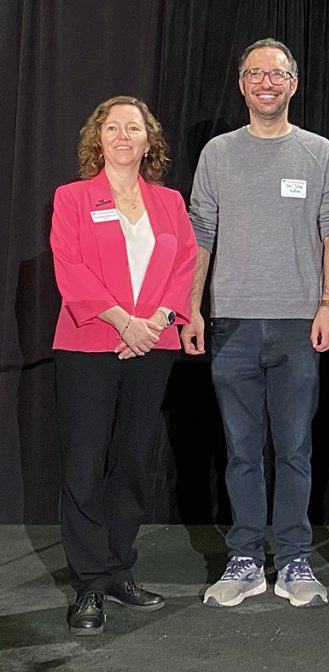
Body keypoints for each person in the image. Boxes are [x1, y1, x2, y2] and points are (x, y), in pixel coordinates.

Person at [183, 38, 329, 609]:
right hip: (230, 323)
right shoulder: (217, 154)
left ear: (293, 84)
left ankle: (296, 559)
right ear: (241, 84)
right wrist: (193, 308)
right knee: (241, 450)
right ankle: (246, 558)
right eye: (255, 74)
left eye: (276, 74)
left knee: (296, 448)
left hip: (297, 324)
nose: (266, 83)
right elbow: (199, 232)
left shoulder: (318, 152)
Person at [51, 96, 197, 635]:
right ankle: (88, 584)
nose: (122, 136)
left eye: (132, 128)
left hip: (151, 345)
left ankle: (117, 568)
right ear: (98, 138)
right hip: (90, 344)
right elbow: (69, 267)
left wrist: (154, 321)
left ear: (147, 140)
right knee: (86, 464)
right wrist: (123, 322)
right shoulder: (73, 198)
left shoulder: (169, 202)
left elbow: (184, 261)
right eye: (112, 127)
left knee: (134, 461)